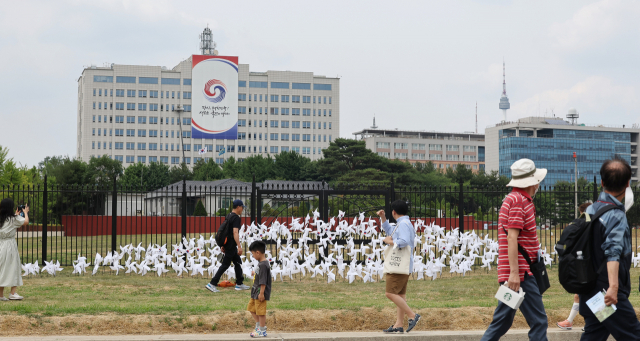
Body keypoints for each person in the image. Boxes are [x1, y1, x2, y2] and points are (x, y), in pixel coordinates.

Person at [481, 159, 548, 341]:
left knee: (502, 321)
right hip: (521, 274)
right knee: (539, 321)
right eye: (538, 181)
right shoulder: (520, 201)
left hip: (514, 273)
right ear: (532, 182)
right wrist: (515, 273)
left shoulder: (513, 198)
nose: (538, 185)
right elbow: (512, 237)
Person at [578, 157, 640, 340]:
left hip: (590, 286)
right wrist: (613, 288)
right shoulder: (616, 215)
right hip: (607, 292)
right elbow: (613, 251)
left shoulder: (591, 210)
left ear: (602, 182)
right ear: (628, 184)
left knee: (595, 332)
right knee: (633, 335)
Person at [377, 200, 421, 333]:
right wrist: (383, 218)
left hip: (398, 264)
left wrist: (389, 241)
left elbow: (403, 241)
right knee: (400, 295)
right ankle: (399, 324)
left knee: (390, 293)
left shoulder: (403, 224)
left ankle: (413, 316)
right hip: (403, 264)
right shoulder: (403, 223)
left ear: (394, 212)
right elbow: (390, 230)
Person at [557, 201, 592, 331]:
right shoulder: (593, 226)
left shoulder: (582, 226)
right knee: (582, 295)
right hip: (587, 267)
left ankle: (596, 323)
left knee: (590, 295)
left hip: (583, 267)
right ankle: (590, 323)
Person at [206, 199, 250, 292]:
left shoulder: (229, 216)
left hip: (229, 245)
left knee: (237, 262)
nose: (242, 209)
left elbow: (226, 231)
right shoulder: (236, 218)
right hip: (231, 245)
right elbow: (235, 232)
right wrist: (239, 246)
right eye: (242, 207)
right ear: (238, 207)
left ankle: (239, 283)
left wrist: (223, 245)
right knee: (225, 265)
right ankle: (212, 283)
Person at [0, 199, 29, 301]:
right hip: (9, 245)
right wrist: (25, 213)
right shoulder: (13, 219)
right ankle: (12, 293)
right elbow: (26, 222)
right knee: (13, 267)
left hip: (1, 244)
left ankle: (1, 295)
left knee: (1, 269)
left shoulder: (2, 218)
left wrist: (16, 215)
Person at [247, 240, 272, 338]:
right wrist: (255, 273)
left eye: (253, 254)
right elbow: (260, 274)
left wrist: (261, 293)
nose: (252, 256)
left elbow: (263, 281)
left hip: (259, 292)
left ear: (257, 252)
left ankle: (262, 330)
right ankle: (258, 326)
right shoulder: (261, 263)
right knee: (251, 308)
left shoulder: (263, 265)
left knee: (260, 311)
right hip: (255, 291)